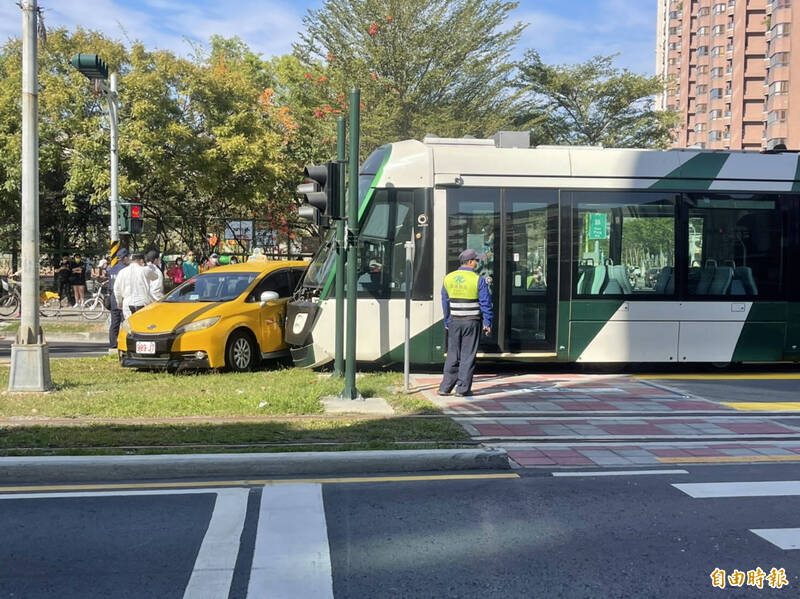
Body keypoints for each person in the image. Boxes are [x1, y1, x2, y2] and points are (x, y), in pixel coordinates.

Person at [438, 248, 493, 397]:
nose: (477, 263)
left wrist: (447, 320)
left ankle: (445, 387)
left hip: (455, 321)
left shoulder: (448, 278)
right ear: (469, 262)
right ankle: (462, 389)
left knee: (452, 354)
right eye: (476, 260)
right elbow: (485, 303)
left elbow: (445, 301)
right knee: (467, 355)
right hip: (471, 322)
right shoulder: (478, 279)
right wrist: (487, 322)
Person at [113, 252, 159, 320]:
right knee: (143, 325)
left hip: (127, 302)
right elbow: (155, 276)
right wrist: (149, 266)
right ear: (141, 261)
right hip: (143, 302)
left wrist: (119, 302)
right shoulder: (145, 270)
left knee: (130, 325)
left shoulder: (122, 272)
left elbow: (116, 289)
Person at [106, 249, 130, 349]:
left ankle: (113, 344)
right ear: (125, 258)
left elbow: (109, 285)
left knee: (114, 323)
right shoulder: (126, 270)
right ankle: (125, 343)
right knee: (126, 322)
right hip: (123, 298)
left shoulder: (112, 269)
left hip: (113, 298)